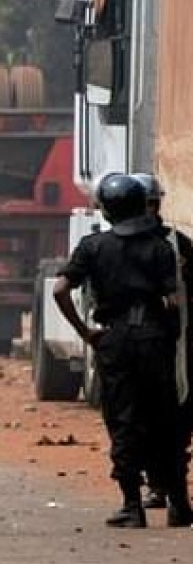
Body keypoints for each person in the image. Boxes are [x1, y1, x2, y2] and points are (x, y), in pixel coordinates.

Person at [53, 173, 187, 528]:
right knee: (165, 419)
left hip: (113, 340)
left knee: (123, 419)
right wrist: (168, 334)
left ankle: (132, 505)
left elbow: (60, 290)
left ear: (105, 209)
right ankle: (177, 503)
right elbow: (174, 300)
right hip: (154, 339)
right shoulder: (161, 247)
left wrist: (86, 333)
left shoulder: (92, 246)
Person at [132, 173, 193, 513]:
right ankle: (157, 487)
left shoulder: (177, 244)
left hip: (174, 346)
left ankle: (171, 491)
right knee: (141, 421)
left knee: (175, 419)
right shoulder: (114, 245)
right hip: (138, 348)